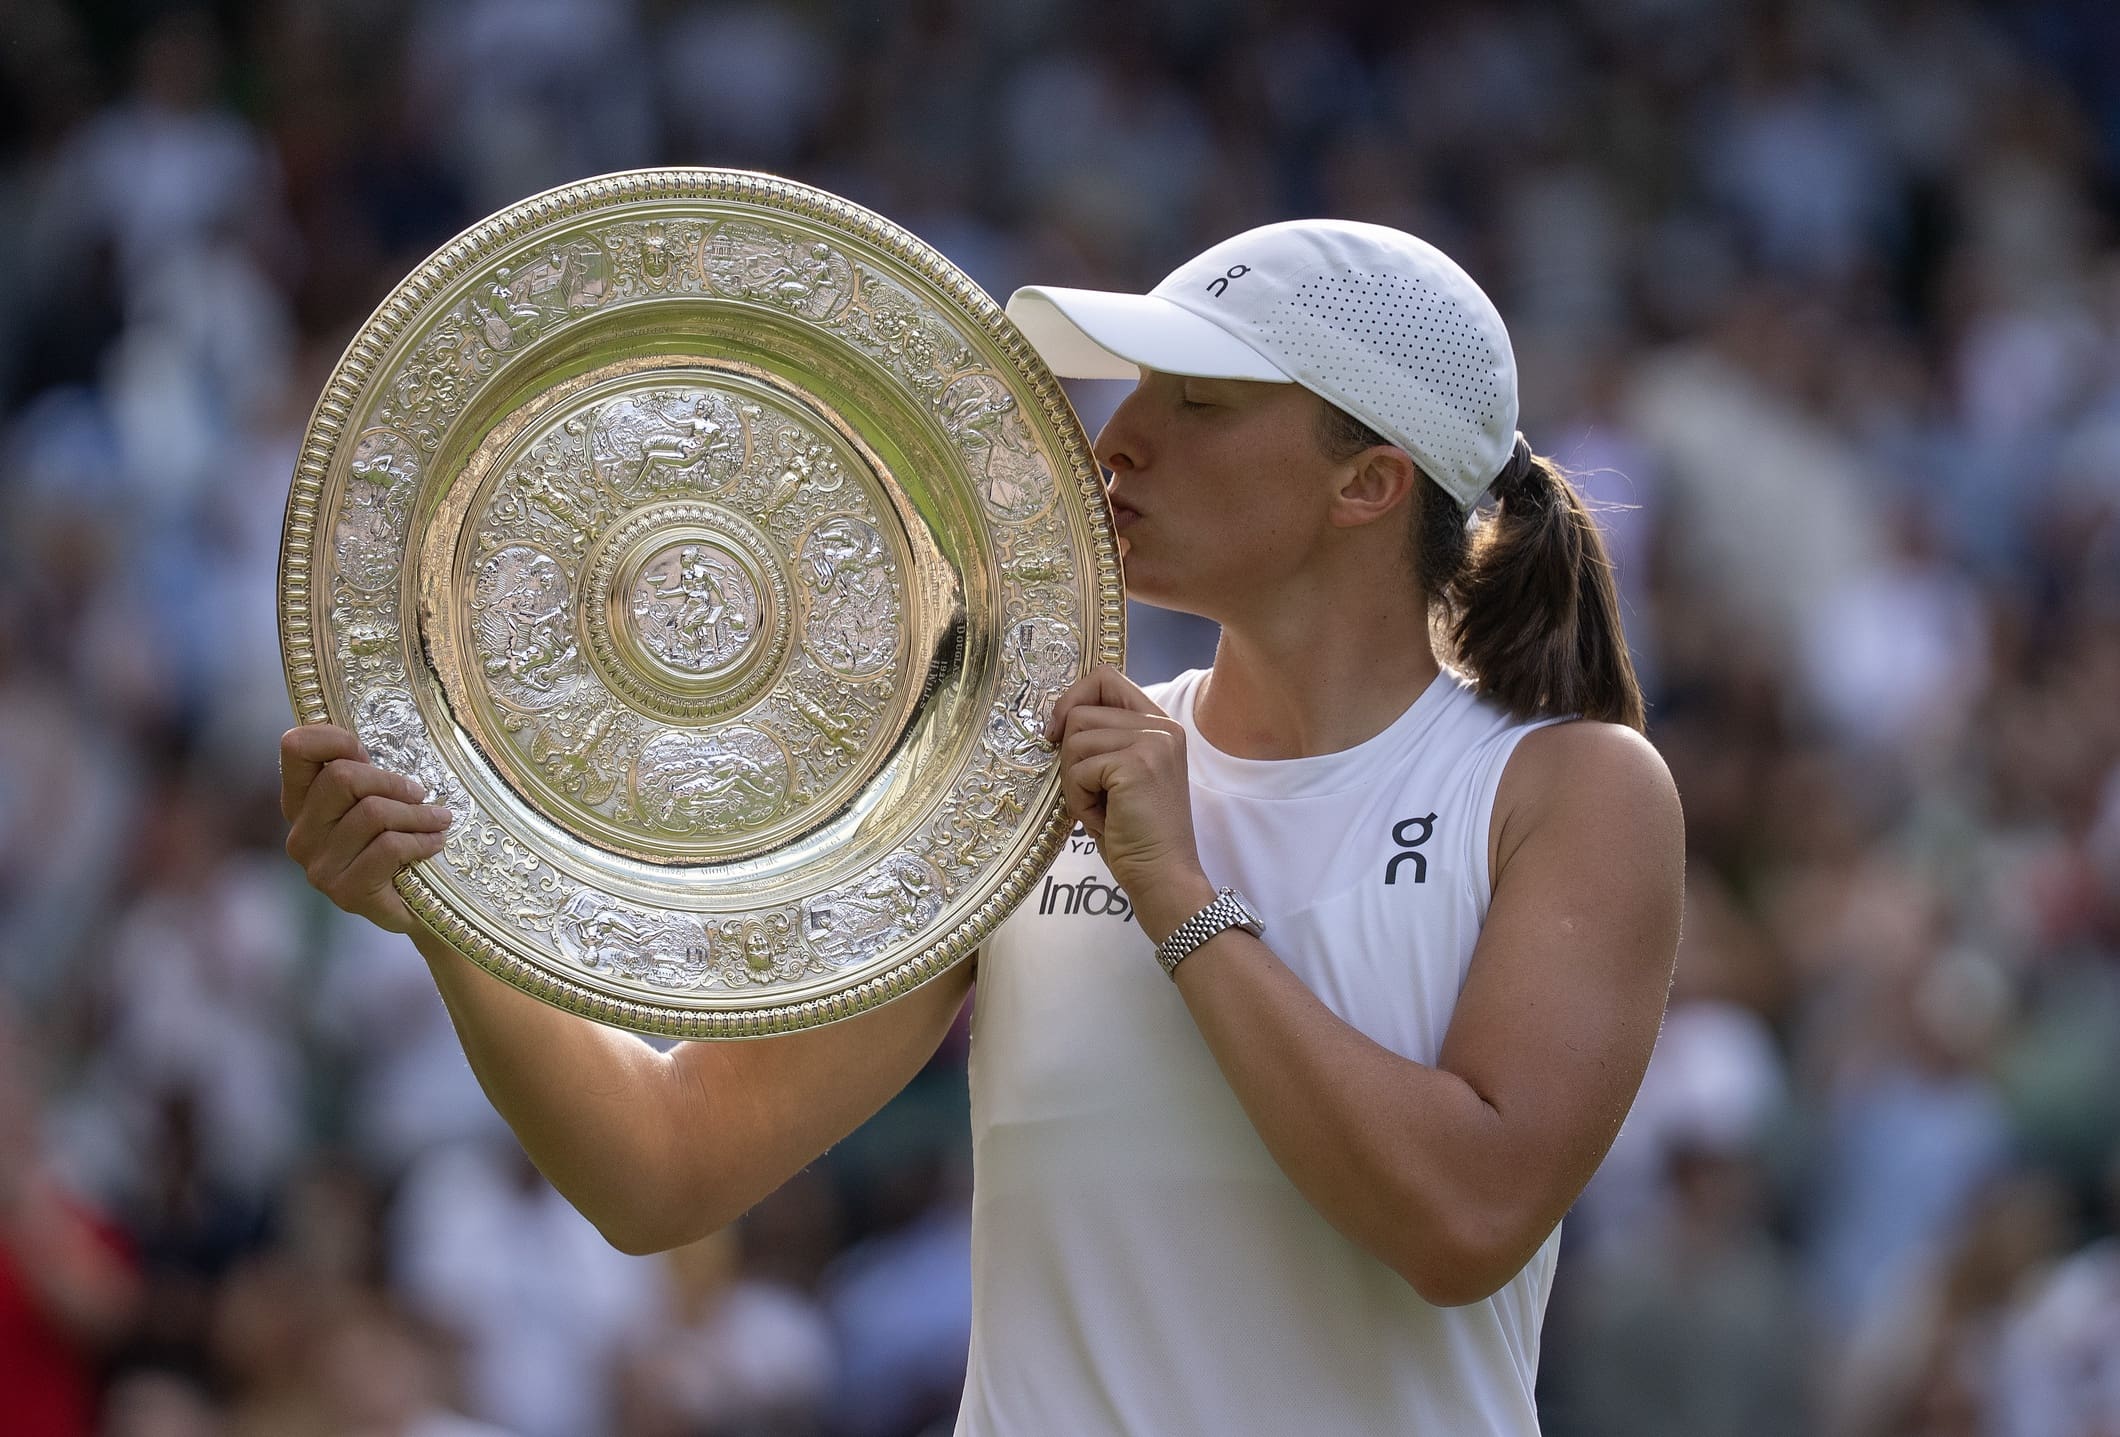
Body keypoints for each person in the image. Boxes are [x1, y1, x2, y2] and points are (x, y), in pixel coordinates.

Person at [281, 218, 1684, 1435]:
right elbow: (666, 1166)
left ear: (1367, 482)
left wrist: (1178, 895)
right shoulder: (1021, 770)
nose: (1117, 437)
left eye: (1197, 402)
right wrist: (447, 907)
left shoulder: (1575, 790)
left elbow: (1462, 1220)